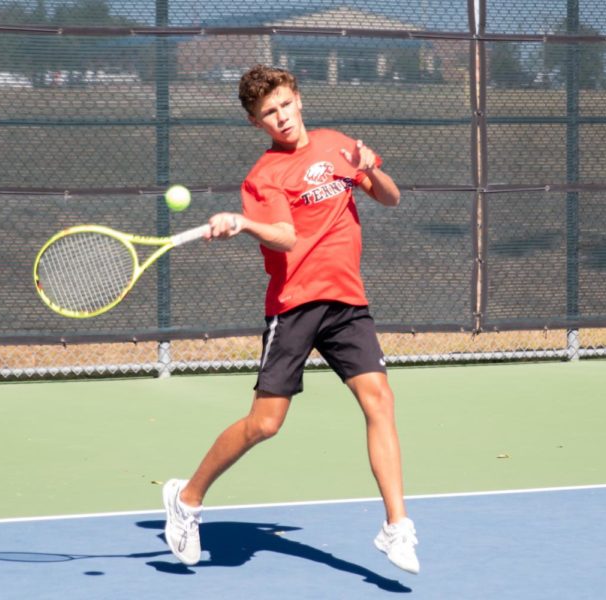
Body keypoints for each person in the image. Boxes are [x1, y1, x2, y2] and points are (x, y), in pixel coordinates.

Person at [162, 64, 419, 574]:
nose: (280, 118)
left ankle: (396, 528)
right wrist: (243, 221)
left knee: (380, 400)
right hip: (295, 304)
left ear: (298, 99)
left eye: (284, 105)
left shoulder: (338, 145)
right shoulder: (263, 177)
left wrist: (370, 167)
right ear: (256, 124)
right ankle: (186, 499)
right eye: (267, 114)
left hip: (346, 301)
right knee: (265, 424)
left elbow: (389, 197)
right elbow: (286, 236)